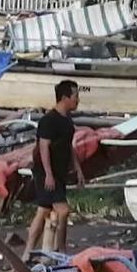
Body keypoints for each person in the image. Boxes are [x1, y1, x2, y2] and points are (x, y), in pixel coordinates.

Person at [22, 80, 84, 259]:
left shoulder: (67, 121)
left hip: (59, 173)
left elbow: (69, 147)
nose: (78, 100)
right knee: (63, 211)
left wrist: (78, 169)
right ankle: (62, 250)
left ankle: (27, 253)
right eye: (75, 96)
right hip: (46, 173)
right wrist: (48, 174)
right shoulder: (49, 121)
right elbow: (43, 147)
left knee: (42, 211)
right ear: (65, 98)